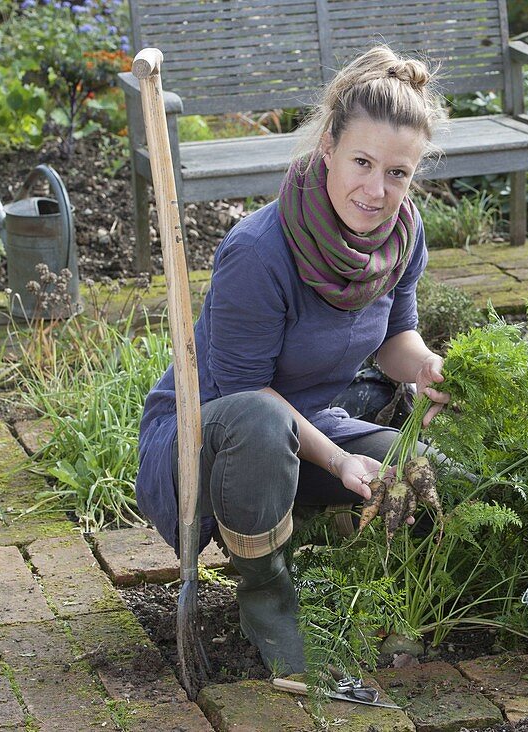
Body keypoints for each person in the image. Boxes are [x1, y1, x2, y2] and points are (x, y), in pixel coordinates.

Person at [135, 45, 451, 675]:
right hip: (207, 437)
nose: (376, 189)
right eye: (362, 162)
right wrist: (337, 458)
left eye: (397, 173)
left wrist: (429, 369)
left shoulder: (401, 237)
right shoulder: (259, 253)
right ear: (328, 145)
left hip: (307, 423)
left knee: (420, 468)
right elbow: (250, 395)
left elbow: (396, 338)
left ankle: (342, 565)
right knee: (259, 422)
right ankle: (268, 602)